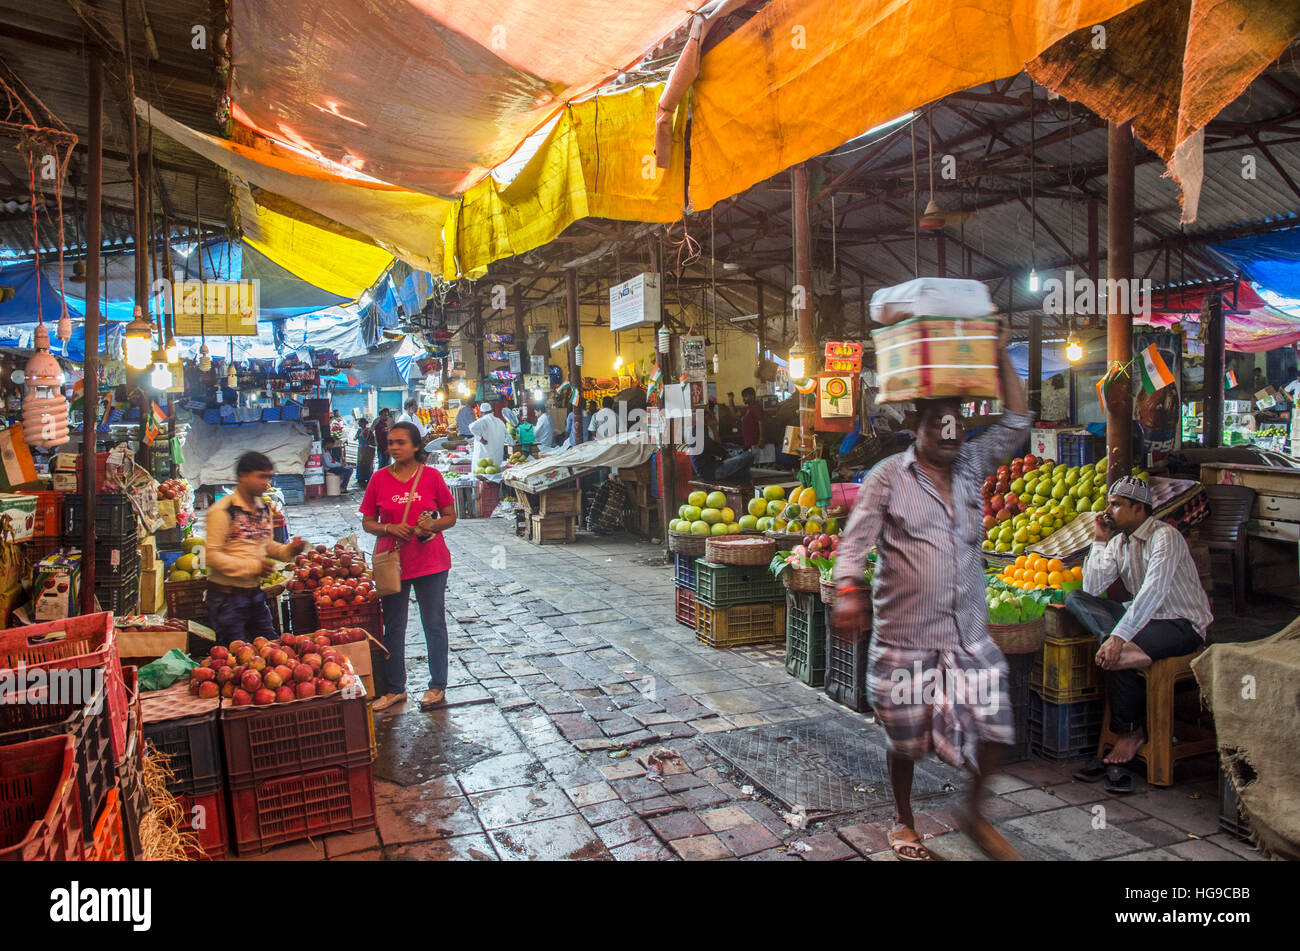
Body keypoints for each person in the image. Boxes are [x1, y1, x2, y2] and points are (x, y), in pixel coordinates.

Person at [831, 322, 1030, 861]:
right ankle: (903, 818)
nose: (949, 435)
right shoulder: (887, 477)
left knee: (995, 724)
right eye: (937, 426)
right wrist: (847, 588)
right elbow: (854, 543)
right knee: (904, 739)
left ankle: (974, 813)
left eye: (955, 426)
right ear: (917, 429)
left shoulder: (971, 466)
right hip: (905, 637)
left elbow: (1017, 420)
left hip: (967, 634)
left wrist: (998, 352)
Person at [1065, 476, 1214, 794]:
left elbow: (1154, 592)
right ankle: (1110, 639)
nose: (1109, 510)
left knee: (1117, 655)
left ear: (1138, 508)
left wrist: (1120, 637)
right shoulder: (1120, 542)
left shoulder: (1165, 537)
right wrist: (1100, 541)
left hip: (1180, 624)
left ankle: (1131, 732)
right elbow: (1093, 587)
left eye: (1117, 504)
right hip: (1142, 623)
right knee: (1076, 599)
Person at [360, 422, 457, 711]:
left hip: (430, 561)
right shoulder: (378, 479)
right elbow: (367, 522)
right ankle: (395, 688)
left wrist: (431, 525)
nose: (393, 447)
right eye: (390, 442)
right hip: (392, 562)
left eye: (400, 442)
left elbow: (450, 516)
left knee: (434, 623)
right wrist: (389, 528)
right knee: (394, 626)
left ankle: (437, 685)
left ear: (416, 446)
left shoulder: (431, 477)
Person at [204, 452, 307, 647]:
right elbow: (212, 556)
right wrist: (253, 567)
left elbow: (267, 546)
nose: (265, 482)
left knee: (271, 648)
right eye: (261, 476)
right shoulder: (222, 511)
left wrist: (290, 551)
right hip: (226, 599)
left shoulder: (262, 508)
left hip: (254, 596)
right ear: (243, 476)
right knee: (237, 656)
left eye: (268, 477)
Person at [468, 401, 506, 469]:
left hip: (484, 458)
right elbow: (507, 434)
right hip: (497, 458)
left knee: (483, 472)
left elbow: (471, 427)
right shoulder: (500, 421)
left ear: (481, 412)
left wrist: (480, 438)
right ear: (491, 411)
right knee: (495, 471)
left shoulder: (483, 420)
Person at [355, 417, 376, 487]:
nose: (359, 423)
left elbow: (370, 440)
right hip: (361, 449)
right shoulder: (359, 430)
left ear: (363, 423)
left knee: (367, 464)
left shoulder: (368, 430)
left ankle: (368, 478)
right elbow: (355, 438)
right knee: (360, 463)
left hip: (367, 449)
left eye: (360, 422)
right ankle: (360, 478)